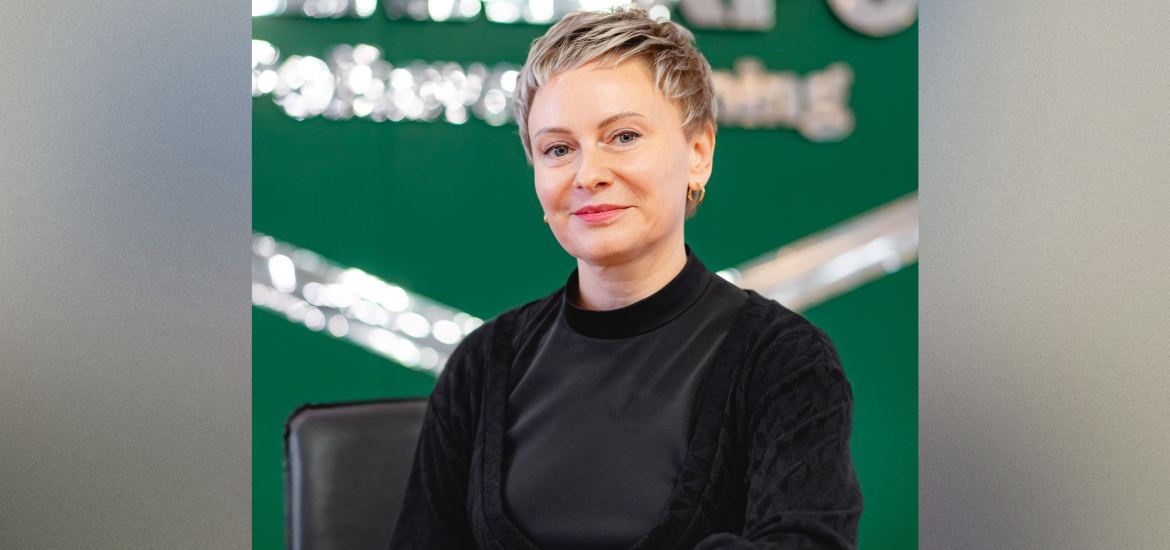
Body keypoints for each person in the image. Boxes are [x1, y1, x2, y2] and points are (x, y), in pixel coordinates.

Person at [388, 7, 862, 549]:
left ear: (699, 154)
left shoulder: (784, 360)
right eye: (558, 149)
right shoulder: (482, 363)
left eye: (623, 136)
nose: (588, 174)